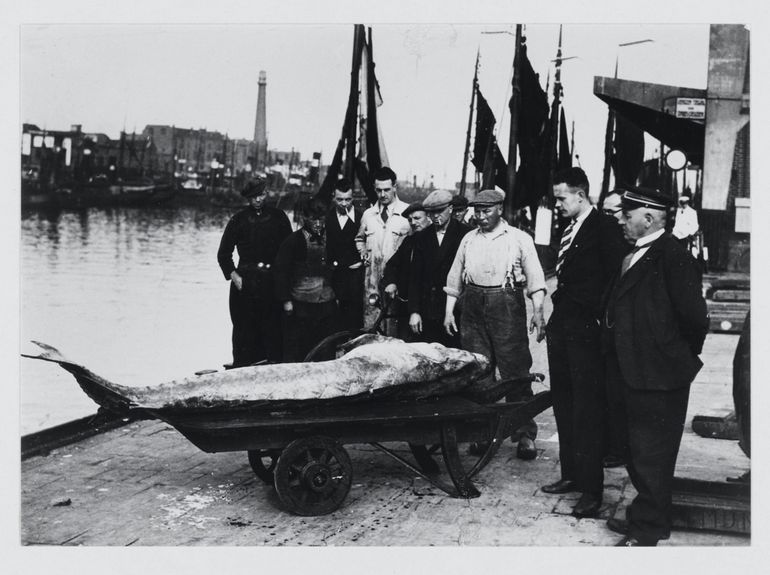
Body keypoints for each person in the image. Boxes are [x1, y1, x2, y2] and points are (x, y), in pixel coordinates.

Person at [602, 186, 709, 546]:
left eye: (626, 214)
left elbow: (696, 319)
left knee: (653, 456)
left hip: (660, 375)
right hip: (633, 372)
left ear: (648, 219)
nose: (621, 219)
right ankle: (646, 516)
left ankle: (646, 531)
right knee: (638, 451)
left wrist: (671, 356)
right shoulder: (636, 254)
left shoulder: (673, 257)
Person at [540, 168, 628, 519]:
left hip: (587, 330)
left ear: (580, 194)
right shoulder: (570, 227)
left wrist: (598, 317)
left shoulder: (604, 228)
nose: (558, 204)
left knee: (588, 410)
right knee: (563, 402)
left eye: (562, 197)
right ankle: (572, 475)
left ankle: (592, 491)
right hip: (563, 324)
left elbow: (616, 277)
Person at [443, 189, 546, 460]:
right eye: (476, 211)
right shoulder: (468, 239)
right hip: (473, 305)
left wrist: (538, 311)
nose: (480, 216)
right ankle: (482, 433)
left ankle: (524, 433)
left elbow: (536, 278)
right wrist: (449, 312)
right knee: (479, 372)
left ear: (500, 209)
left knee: (515, 371)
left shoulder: (519, 239)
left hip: (507, 306)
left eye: (486, 211)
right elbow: (454, 280)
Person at [217, 178, 292, 367]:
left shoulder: (279, 217)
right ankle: (241, 370)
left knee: (272, 331)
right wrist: (235, 277)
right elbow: (224, 254)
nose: (257, 200)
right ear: (248, 199)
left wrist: (282, 281)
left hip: (270, 283)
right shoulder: (238, 219)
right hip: (245, 285)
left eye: (261, 195)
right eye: (253, 197)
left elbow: (289, 251)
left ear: (266, 194)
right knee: (243, 332)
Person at [274, 198, 340, 362]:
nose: (318, 224)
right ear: (305, 219)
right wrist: (285, 300)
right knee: (298, 349)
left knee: (326, 349)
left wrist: (338, 295)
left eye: (321, 219)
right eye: (313, 220)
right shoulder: (292, 242)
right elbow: (281, 272)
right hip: (301, 304)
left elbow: (339, 271)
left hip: (326, 303)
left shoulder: (332, 239)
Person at [408, 189, 471, 347]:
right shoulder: (422, 237)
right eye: (431, 213)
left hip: (456, 310)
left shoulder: (466, 234)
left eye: (440, 211)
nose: (436, 216)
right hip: (427, 310)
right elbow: (415, 276)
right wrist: (414, 311)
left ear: (450, 209)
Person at [355, 167, 411, 330]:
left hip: (396, 282)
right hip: (371, 279)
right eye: (378, 190)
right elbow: (359, 238)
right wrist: (363, 252)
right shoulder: (368, 215)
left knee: (394, 326)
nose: (382, 194)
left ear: (395, 187)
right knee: (371, 325)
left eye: (387, 190)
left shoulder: (407, 214)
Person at [380, 202, 432, 340]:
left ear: (428, 217)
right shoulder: (409, 241)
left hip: (429, 308)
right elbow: (392, 264)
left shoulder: (434, 241)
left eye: (417, 218)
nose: (413, 222)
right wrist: (391, 282)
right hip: (406, 305)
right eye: (410, 220)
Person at [325, 179, 364, 333]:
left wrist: (361, 261)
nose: (344, 203)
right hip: (333, 275)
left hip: (355, 275)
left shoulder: (362, 218)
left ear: (353, 198)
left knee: (354, 316)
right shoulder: (326, 219)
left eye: (348, 199)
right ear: (334, 198)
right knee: (333, 315)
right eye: (339, 199)